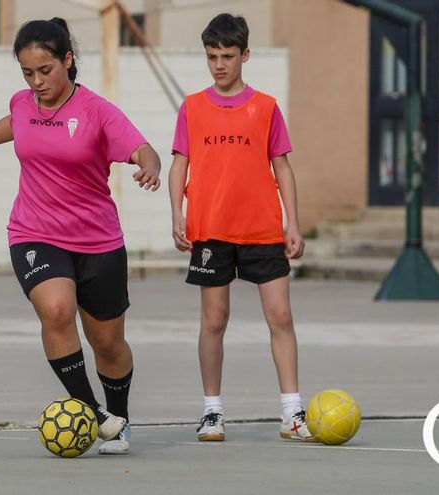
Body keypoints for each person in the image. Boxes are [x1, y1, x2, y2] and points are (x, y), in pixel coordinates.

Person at [0, 17, 161, 455]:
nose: (37, 82)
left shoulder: (97, 111)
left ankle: (120, 419)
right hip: (34, 232)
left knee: (108, 344)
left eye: (45, 70)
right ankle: (94, 414)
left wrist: (149, 167)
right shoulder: (24, 103)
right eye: (27, 73)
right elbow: (15, 123)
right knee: (57, 310)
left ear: (68, 60)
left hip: (98, 241)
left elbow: (142, 148)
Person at [167, 13, 314, 442]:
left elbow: (282, 167)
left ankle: (291, 413)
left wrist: (293, 222)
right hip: (210, 230)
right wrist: (177, 213)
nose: (219, 65)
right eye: (212, 56)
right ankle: (212, 412)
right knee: (214, 321)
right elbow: (179, 164)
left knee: (281, 316)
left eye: (227, 56)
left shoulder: (265, 107)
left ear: (245, 55)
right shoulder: (192, 107)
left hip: (262, 230)